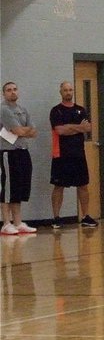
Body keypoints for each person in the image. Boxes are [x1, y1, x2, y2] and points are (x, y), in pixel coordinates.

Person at [50, 81, 98, 229]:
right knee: (59, 186)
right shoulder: (56, 111)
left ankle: (85, 216)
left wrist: (70, 127)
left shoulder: (81, 110)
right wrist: (78, 127)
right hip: (61, 154)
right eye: (65, 90)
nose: (68, 92)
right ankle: (56, 218)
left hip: (78, 154)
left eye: (70, 90)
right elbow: (60, 131)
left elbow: (88, 127)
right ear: (61, 92)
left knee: (83, 185)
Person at [0, 82, 38, 235]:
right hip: (9, 152)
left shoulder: (23, 110)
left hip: (23, 151)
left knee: (19, 187)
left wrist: (23, 131)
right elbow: (17, 130)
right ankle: (6, 223)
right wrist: (23, 130)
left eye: (15, 89)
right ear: (4, 94)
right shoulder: (3, 110)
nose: (12, 92)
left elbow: (33, 131)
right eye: (9, 90)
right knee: (8, 188)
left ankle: (17, 222)